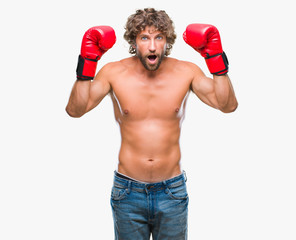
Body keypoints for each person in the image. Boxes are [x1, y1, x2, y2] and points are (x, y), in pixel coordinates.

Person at [66, 8, 238, 240]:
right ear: (134, 41)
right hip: (127, 191)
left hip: (172, 191)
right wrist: (87, 65)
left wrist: (215, 60)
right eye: (144, 38)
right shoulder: (113, 72)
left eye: (159, 37)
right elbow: (75, 110)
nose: (153, 46)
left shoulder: (186, 71)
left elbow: (227, 105)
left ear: (167, 40)